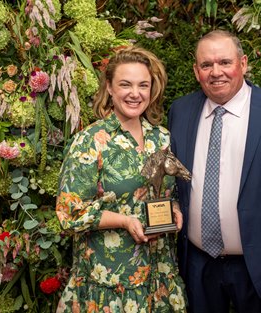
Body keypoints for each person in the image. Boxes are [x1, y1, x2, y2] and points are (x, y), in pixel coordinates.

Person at [168, 30, 261, 313]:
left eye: (225, 62)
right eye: (206, 65)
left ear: (243, 63)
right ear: (196, 70)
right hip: (199, 267)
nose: (216, 72)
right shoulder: (181, 111)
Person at [56, 46, 187, 312]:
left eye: (143, 85)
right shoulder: (91, 141)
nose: (135, 93)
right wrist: (125, 221)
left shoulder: (161, 138)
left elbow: (166, 191)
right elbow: (69, 214)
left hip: (158, 273)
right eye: (125, 84)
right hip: (109, 280)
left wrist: (174, 208)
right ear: (110, 88)